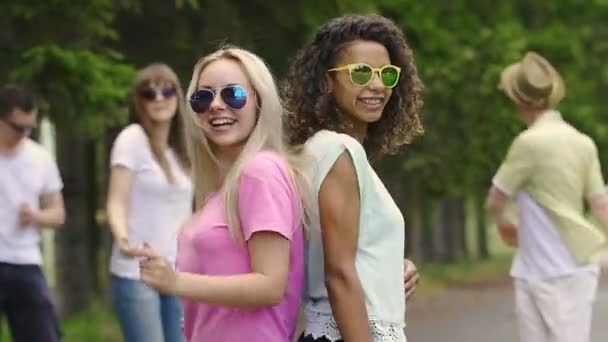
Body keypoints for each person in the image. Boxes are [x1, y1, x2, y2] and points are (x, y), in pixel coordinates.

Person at [132, 46, 308, 342]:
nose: (215, 105)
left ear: (259, 101)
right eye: (203, 98)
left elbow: (269, 286)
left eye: (232, 94)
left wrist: (175, 282)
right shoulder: (227, 186)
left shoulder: (260, 172)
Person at [284, 14, 424, 342]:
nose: (377, 85)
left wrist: (391, 268)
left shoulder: (322, 149)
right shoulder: (339, 150)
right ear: (325, 82)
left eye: (386, 74)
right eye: (361, 72)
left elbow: (345, 256)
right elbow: (339, 276)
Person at [486, 51, 608, 342]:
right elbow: (600, 203)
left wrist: (503, 221)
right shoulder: (583, 143)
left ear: (518, 101)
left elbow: (496, 198)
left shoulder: (527, 144)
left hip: (536, 270)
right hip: (576, 269)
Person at [106, 63, 192, 342]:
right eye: (149, 93)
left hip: (176, 271)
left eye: (167, 91)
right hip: (136, 270)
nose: (159, 99)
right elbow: (116, 201)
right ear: (139, 101)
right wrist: (122, 239)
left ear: (178, 96)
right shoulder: (132, 139)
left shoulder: (181, 150)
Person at [0, 85, 65, 342]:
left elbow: (58, 214)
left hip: (25, 261)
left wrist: (36, 217)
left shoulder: (40, 157)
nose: (25, 134)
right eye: (18, 127)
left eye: (30, 127)